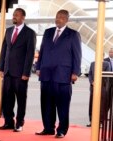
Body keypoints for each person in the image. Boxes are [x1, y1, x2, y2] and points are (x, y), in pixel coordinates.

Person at [35, 9, 82, 138]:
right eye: (57, 16)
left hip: (63, 75)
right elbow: (42, 51)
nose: (58, 19)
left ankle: (61, 130)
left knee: (62, 105)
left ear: (67, 19)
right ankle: (48, 128)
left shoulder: (73, 34)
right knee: (46, 104)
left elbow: (77, 55)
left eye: (61, 17)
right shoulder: (48, 32)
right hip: (46, 74)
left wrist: (75, 72)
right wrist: (38, 67)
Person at [0, 8, 36, 132]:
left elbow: (30, 54)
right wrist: (1, 67)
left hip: (20, 74)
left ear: (23, 17)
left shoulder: (30, 33)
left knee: (21, 99)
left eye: (17, 15)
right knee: (7, 99)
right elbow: (4, 50)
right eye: (13, 15)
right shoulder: (8, 31)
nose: (14, 17)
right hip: (7, 72)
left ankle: (19, 123)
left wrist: (26, 72)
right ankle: (8, 122)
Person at [87, 58, 111, 127]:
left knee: (102, 105)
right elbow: (90, 74)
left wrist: (99, 82)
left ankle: (100, 122)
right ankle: (92, 121)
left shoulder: (106, 64)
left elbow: (106, 75)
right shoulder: (92, 63)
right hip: (93, 87)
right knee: (92, 104)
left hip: (102, 87)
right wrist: (92, 82)